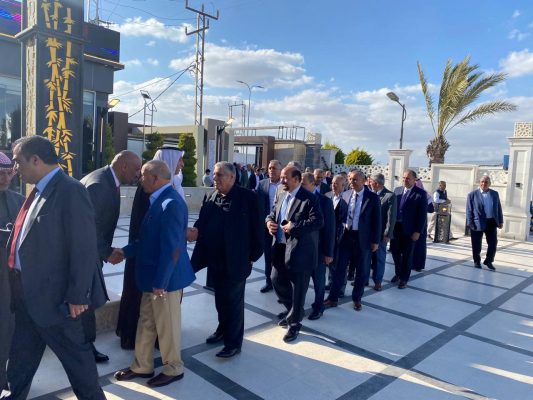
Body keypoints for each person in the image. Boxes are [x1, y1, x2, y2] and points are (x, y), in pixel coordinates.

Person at [7, 136, 106, 399]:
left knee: (82, 374)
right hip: (27, 299)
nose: (15, 168)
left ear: (35, 160)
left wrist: (77, 295)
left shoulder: (70, 190)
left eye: (17, 162)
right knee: (18, 367)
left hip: (58, 304)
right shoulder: (36, 192)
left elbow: (83, 248)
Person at [113, 160, 195, 388]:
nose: (140, 179)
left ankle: (174, 368)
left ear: (156, 178)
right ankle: (142, 365)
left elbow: (172, 248)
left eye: (143, 175)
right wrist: (125, 251)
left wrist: (161, 282)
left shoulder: (171, 203)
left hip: (164, 281)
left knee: (167, 326)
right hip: (152, 277)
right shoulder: (158, 200)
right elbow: (148, 240)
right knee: (147, 321)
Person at [190, 162, 263, 358]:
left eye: (219, 175)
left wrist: (251, 258)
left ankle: (233, 343)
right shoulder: (211, 196)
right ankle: (222, 330)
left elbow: (258, 231)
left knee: (234, 303)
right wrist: (194, 231)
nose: (215, 178)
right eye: (214, 174)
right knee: (221, 300)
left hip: (237, 261)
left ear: (232, 177)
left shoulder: (248, 198)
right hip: (215, 260)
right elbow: (203, 221)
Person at [116, 147, 185, 350]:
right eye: (179, 161)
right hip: (150, 259)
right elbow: (147, 230)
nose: (181, 165)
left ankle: (161, 351)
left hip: (164, 263)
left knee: (163, 315)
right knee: (145, 310)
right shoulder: (147, 190)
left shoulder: (170, 191)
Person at [80, 150, 141, 363]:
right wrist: (106, 252)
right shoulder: (99, 185)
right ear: (123, 166)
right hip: (84, 255)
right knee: (85, 300)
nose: (138, 174)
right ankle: (85, 348)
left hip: (91, 252)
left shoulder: (108, 180)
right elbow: (87, 228)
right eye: (136, 169)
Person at [266, 166, 323, 342]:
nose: (282, 180)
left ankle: (295, 324)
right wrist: (269, 223)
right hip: (280, 247)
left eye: (285, 178)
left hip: (300, 251)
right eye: (282, 177)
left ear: (297, 179)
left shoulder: (309, 198)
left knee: (298, 290)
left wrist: (294, 227)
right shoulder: (281, 194)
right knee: (276, 279)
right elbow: (272, 214)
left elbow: (318, 222)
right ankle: (293, 311)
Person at [324, 169, 380, 311]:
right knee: (339, 269)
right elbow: (339, 216)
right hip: (346, 237)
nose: (351, 182)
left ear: (363, 181)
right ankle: (333, 298)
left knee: (361, 271)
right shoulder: (346, 194)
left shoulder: (372, 198)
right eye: (350, 179)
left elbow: (377, 221)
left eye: (355, 179)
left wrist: (375, 241)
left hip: (363, 239)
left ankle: (357, 299)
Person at [0, 153, 23, 394]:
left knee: (7, 330)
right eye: (0, 173)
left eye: (8, 173)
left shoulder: (19, 201)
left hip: (10, 283)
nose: (5, 178)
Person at [301, 173, 335, 321]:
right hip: (301, 250)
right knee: (300, 282)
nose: (300, 187)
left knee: (319, 282)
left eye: (303, 184)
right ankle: (297, 308)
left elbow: (330, 229)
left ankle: (319, 307)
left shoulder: (325, 202)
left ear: (313, 184)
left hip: (319, 250)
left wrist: (329, 253)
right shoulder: (298, 198)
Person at [390, 170, 427, 288]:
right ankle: (398, 273)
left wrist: (418, 231)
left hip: (410, 230)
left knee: (407, 255)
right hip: (396, 228)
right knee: (395, 253)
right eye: (404, 178)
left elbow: (422, 215)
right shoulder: (397, 190)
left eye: (408, 178)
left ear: (414, 180)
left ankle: (404, 278)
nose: (405, 180)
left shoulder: (421, 194)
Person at [466, 175, 503, 270]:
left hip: (491, 222)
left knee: (493, 243)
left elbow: (498, 208)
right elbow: (469, 210)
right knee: (476, 244)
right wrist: (470, 223)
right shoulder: (472, 195)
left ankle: (489, 261)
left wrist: (500, 221)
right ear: (479, 183)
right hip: (477, 223)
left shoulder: (495, 194)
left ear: (489, 183)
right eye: (482, 181)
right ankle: (477, 261)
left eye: (486, 182)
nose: (484, 183)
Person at [257, 160, 282, 293]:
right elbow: (257, 205)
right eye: (270, 168)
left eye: (274, 168)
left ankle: (281, 284)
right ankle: (269, 282)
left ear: (280, 170)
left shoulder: (285, 184)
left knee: (281, 256)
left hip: (282, 227)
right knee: (268, 255)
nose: (271, 170)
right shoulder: (262, 184)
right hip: (266, 226)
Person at [368, 173, 396, 291]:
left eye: (371, 182)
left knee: (379, 259)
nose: (369, 183)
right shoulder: (369, 194)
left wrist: (387, 234)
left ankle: (378, 281)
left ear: (376, 183)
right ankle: (364, 279)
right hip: (367, 233)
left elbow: (391, 217)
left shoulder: (389, 196)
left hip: (380, 234)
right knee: (365, 258)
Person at [324, 175, 349, 291]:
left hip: (341, 236)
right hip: (328, 235)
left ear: (343, 185)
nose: (333, 185)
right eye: (333, 183)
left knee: (340, 263)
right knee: (330, 260)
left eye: (336, 184)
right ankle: (331, 282)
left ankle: (341, 288)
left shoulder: (347, 198)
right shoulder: (327, 196)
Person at [411, 179, 434, 272]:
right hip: (412, 222)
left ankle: (419, 265)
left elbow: (431, 209)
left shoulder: (424, 195)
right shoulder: (410, 193)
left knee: (420, 245)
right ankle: (411, 263)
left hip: (421, 223)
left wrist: (422, 206)